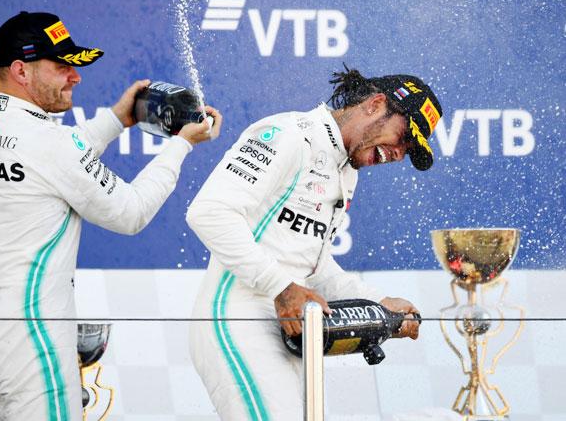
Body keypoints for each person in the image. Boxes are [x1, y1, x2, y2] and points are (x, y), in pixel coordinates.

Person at [0, 11, 222, 421]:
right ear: (20, 71)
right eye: (62, 67)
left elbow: (60, 156)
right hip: (32, 341)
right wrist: (181, 145)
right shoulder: (47, 143)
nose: (75, 77)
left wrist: (119, 118)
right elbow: (131, 213)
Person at [186, 67, 441, 420]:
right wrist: (281, 287)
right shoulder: (288, 134)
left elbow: (312, 266)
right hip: (237, 318)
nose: (399, 154)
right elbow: (209, 212)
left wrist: (379, 304)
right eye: (403, 137)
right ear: (376, 104)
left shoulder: (345, 169)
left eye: (409, 150)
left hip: (290, 329)